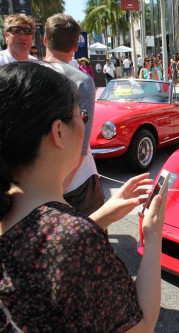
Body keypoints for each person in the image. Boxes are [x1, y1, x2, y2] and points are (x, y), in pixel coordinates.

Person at [0, 61, 165, 332]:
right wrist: (153, 234)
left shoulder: (11, 206)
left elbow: (38, 249)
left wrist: (104, 215)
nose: (84, 123)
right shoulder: (76, 239)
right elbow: (142, 324)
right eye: (82, 115)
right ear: (58, 132)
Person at [43, 14, 104, 216]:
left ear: (44, 40)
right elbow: (81, 144)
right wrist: (58, 191)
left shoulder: (21, 75)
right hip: (75, 183)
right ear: (75, 46)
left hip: (36, 181)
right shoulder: (81, 81)